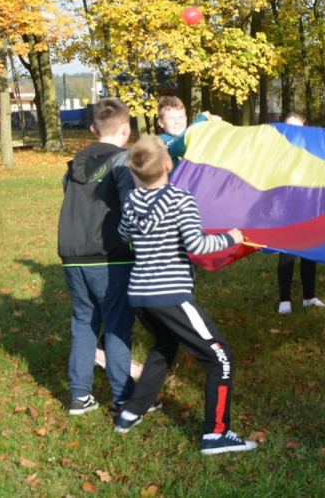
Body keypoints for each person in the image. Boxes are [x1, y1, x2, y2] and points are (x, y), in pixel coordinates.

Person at [114, 135, 257, 456]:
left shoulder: (132, 202)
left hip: (139, 295)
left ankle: (130, 412)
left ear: (136, 171)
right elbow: (197, 245)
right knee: (220, 358)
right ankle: (216, 434)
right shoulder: (180, 199)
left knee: (164, 347)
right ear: (168, 164)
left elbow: (124, 235)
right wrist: (232, 237)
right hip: (170, 295)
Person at [57, 98, 137, 415]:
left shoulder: (75, 164)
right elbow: (132, 208)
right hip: (109, 256)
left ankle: (80, 396)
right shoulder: (123, 161)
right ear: (126, 129)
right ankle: (123, 398)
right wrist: (132, 241)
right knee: (117, 326)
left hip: (72, 255)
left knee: (83, 322)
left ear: (92, 129)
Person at [276, 112, 325, 312]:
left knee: (309, 252)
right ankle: (284, 300)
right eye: (290, 126)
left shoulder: (310, 151)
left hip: (308, 207)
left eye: (298, 127)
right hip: (286, 208)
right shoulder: (276, 151)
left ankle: (309, 296)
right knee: (287, 253)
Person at [156, 96, 217, 168]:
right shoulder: (161, 142)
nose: (177, 121)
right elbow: (179, 145)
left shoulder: (191, 138)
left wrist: (213, 124)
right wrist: (202, 120)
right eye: (171, 118)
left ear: (186, 118)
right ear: (161, 123)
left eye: (181, 117)